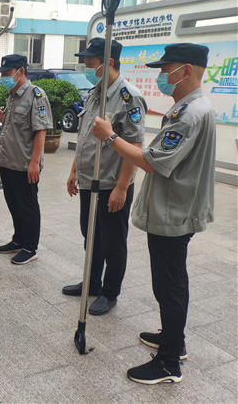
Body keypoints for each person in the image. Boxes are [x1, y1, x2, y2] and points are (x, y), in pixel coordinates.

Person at [92, 43, 215, 384]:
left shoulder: (189, 114)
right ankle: (174, 339)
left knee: (169, 285)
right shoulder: (190, 108)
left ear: (185, 71)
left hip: (174, 213)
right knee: (171, 283)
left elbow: (150, 161)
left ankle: (168, 363)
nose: (162, 76)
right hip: (175, 208)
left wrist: (110, 136)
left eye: (165, 69)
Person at [62, 38, 147, 316]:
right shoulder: (95, 93)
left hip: (112, 184)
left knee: (112, 242)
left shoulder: (129, 97)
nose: (87, 68)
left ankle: (110, 293)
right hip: (89, 181)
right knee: (91, 236)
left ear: (108, 63)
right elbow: (85, 136)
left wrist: (122, 188)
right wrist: (74, 171)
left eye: (91, 64)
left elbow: (135, 147)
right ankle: (92, 282)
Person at [0, 54, 52, 265]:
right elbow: (8, 121)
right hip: (8, 161)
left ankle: (30, 247)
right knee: (14, 204)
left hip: (24, 163)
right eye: (2, 73)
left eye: (7, 73)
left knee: (27, 206)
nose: (4, 76)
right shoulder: (12, 95)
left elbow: (41, 131)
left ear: (20, 71)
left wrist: (34, 163)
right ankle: (18, 239)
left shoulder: (36, 95)